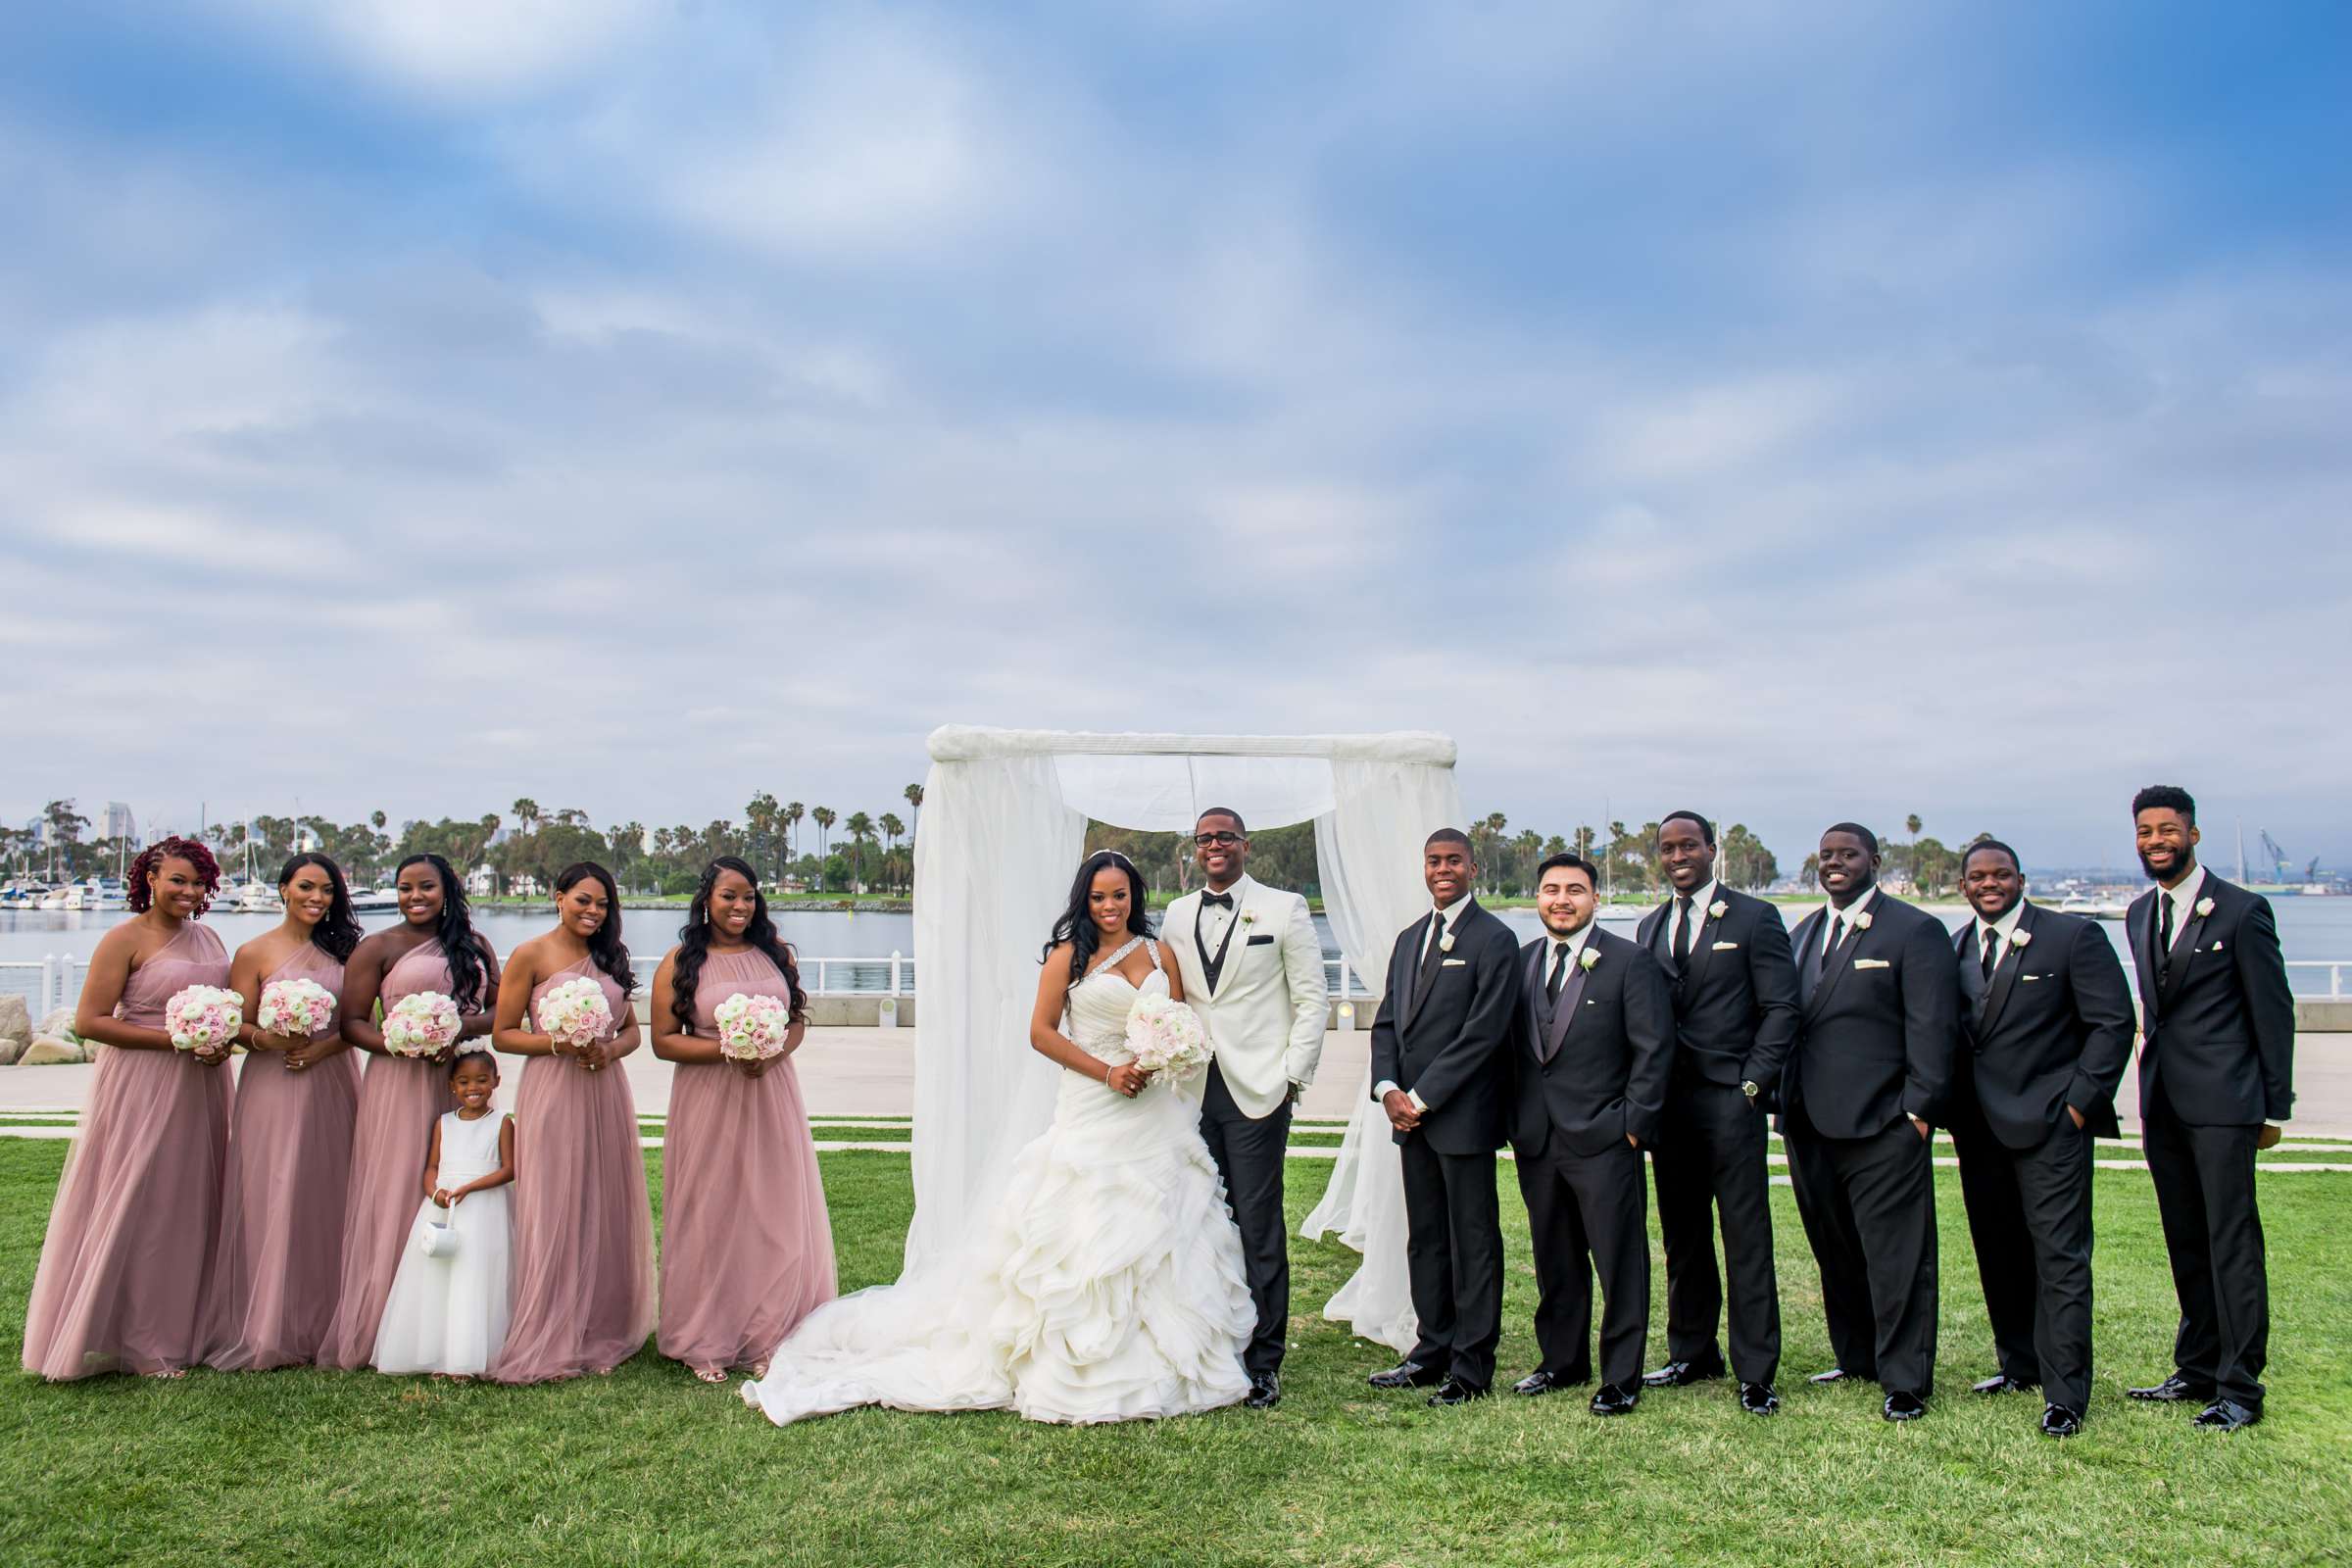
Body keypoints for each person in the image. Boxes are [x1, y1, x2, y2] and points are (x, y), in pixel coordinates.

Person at [741, 850, 1251, 1426]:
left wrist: (1159, 1059)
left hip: (1155, 1110)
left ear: (1136, 895)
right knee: (1086, 1227)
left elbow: (1175, 1018)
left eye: (1120, 895)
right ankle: (1079, 1360)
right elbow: (1040, 1033)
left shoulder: (1161, 954)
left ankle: (1162, 1355)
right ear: (1084, 901)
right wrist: (1108, 1071)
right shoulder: (1068, 956)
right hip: (1094, 1101)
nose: (1111, 907)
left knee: (1168, 1224)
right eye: (1099, 897)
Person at [23, 838, 233, 1380]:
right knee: (142, 1198)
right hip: (143, 1080)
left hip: (201, 1083)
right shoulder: (124, 939)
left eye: (198, 882)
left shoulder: (208, 935)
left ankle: (186, 1327)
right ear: (150, 879)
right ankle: (137, 1341)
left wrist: (217, 1039)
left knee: (190, 1199)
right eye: (177, 880)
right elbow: (91, 1021)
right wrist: (176, 1041)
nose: (188, 892)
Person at [1943, 839, 2133, 1438]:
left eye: (2000, 874)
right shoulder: (1954, 949)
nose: (1989, 884)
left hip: (2051, 1126)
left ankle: (2066, 1392)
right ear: (1964, 885)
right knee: (1998, 1252)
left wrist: (2077, 1105)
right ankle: (2017, 1364)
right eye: (1978, 876)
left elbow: (2113, 1023)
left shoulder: (2072, 938)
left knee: (2060, 1259)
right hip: (1978, 1130)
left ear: (2021, 879)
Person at [2123, 785, 2295, 1433]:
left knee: (2231, 1244)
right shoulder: (2140, 913)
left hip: (2227, 1105)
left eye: (2167, 830)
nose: (2155, 842)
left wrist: (2274, 1107)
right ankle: (2196, 1367)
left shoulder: (2242, 911)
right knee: (2186, 1241)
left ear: (2193, 835)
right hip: (2163, 1103)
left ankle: (2240, 1387)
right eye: (2145, 832)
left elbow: (2273, 1014)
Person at [1781, 823, 1958, 1422]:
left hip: (1884, 1124)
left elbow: (1933, 1027)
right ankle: (1855, 1356)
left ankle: (1905, 1377)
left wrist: (1918, 1112)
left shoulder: (1915, 930)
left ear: (1874, 861)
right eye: (1826, 854)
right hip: (1808, 1124)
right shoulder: (1803, 934)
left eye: (1847, 854)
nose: (1835, 863)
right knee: (1835, 1250)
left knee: (1897, 1256)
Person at [1158, 808, 1329, 1408]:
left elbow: (1312, 1001)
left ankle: (1265, 1359)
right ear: (1196, 849)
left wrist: (1290, 1078)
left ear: (1245, 846)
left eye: (1225, 837)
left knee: (1258, 1223)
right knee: (1203, 1220)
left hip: (1259, 1091)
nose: (1214, 846)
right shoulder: (1178, 915)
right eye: (1205, 839)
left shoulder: (1285, 908)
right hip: (1191, 1090)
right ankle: (1213, 1341)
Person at [1635, 810, 1799, 1416]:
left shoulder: (1756, 918)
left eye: (1689, 846)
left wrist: (1753, 1084)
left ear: (1711, 849)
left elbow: (1783, 1008)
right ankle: (1692, 1351)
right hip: (1669, 1107)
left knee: (1745, 1236)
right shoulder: (1650, 927)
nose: (1678, 856)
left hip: (1731, 1101)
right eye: (1668, 848)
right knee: (1682, 1236)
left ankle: (1756, 1371)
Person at [651, 858, 836, 1384]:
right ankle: (704, 1337)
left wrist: (772, 1052)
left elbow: (795, 1022)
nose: (740, 906)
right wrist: (729, 1052)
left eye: (749, 897)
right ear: (707, 898)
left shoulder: (775, 955)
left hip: (770, 1092)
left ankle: (769, 1333)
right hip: (708, 1096)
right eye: (729, 896)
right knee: (710, 1211)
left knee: (771, 1211)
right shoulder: (680, 961)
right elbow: (664, 1042)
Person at [1506, 853, 1673, 1416]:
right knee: (1555, 1259)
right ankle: (1561, 1361)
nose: (1561, 899)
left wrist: (1632, 1127)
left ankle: (1621, 1376)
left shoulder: (1630, 962)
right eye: (1551, 889)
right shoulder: (1522, 962)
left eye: (1574, 890)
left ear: (1594, 898)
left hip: (1605, 1137)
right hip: (1537, 1140)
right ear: (1538, 898)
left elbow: (1654, 1051)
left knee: (1619, 1262)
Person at [320, 854, 499, 1369]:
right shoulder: (376, 947)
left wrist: (456, 1030)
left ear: (448, 890)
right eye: (404, 888)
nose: (414, 896)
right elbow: (352, 1022)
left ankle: (457, 1325)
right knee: (398, 1187)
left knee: (462, 1189)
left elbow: (499, 1010)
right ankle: (385, 1323)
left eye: (426, 887)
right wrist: (402, 1043)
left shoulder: (476, 946)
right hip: (398, 1081)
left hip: (462, 1083)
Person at [1365, 828, 1519, 1405]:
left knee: (1473, 1241)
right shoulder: (1409, 940)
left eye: (1454, 860)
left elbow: (1483, 1033)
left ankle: (1472, 1367)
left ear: (1473, 869)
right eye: (1434, 861)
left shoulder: (1495, 939)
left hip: (1463, 1118)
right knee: (1426, 1238)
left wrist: (1422, 1096)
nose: (1443, 869)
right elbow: (1386, 1024)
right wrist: (1387, 1091)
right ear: (1423, 868)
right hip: (1409, 1121)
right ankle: (1430, 1351)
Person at [488, 861, 656, 1383]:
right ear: (558, 898)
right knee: (555, 1200)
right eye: (584, 900)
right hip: (553, 1088)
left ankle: (599, 1327)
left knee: (603, 1200)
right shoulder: (530, 955)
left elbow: (631, 1031)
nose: (593, 911)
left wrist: (609, 1051)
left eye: (603, 904)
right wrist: (561, 1041)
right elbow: (503, 1034)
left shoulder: (610, 957)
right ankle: (550, 1329)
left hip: (603, 1087)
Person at [204, 852, 366, 1370]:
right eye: (307, 887)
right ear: (283, 889)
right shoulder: (253, 952)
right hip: (271, 1083)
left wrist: (324, 1047)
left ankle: (328, 1319)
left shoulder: (346, 953)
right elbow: (237, 1025)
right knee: (270, 1189)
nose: (317, 898)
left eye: (327, 891)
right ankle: (267, 1320)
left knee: (329, 1188)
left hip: (331, 1078)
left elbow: (358, 1022)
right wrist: (267, 1038)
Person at [371, 1049, 517, 1378]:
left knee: (475, 1276)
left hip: (484, 1208)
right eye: (464, 1081)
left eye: (481, 1080)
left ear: (496, 1081)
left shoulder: (502, 1122)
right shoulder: (444, 1123)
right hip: (443, 1206)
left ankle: (468, 1358)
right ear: (452, 1085)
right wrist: (433, 1192)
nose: (473, 1088)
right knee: (439, 1278)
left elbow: (510, 1169)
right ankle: (438, 1353)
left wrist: (471, 1187)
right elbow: (432, 1167)